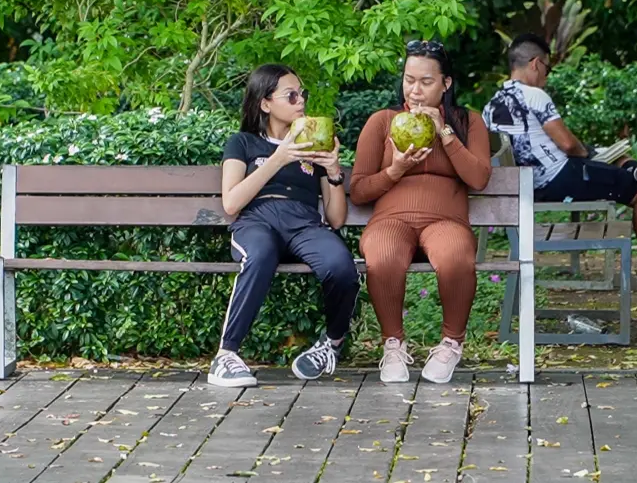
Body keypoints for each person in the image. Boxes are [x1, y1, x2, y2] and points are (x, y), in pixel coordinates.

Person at [482, 33, 637, 290]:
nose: (546, 77)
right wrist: (586, 153)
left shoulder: (491, 105)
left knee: (608, 159)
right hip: (557, 179)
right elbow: (568, 145)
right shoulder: (535, 96)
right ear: (536, 63)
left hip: (527, 184)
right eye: (547, 69)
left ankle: (632, 166)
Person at [208, 64, 360, 388]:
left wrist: (332, 170)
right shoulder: (243, 143)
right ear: (265, 103)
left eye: (301, 94)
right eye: (290, 95)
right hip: (257, 219)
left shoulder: (313, 146)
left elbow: (335, 219)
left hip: (304, 223)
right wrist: (278, 158)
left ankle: (330, 344)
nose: (300, 101)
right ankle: (226, 355)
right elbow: (232, 202)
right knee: (259, 254)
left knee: (341, 265)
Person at [350, 40, 491, 384]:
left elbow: (479, 177)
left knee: (456, 255)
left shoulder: (466, 122)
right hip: (390, 219)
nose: (415, 90)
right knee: (381, 256)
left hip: (445, 220)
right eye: (409, 80)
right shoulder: (383, 122)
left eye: (426, 82)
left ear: (446, 84)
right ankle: (393, 344)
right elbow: (358, 190)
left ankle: (451, 343)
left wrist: (444, 131)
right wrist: (395, 170)